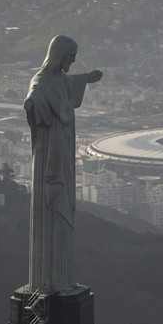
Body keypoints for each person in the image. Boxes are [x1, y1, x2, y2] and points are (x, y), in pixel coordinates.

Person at [25, 35, 102, 293]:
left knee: (64, 211)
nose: (73, 61)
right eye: (71, 56)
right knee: (51, 210)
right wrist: (31, 103)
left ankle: (63, 280)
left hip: (64, 151)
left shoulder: (60, 80)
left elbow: (69, 84)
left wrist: (86, 78)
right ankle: (49, 282)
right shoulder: (43, 81)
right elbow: (36, 93)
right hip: (50, 154)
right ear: (59, 55)